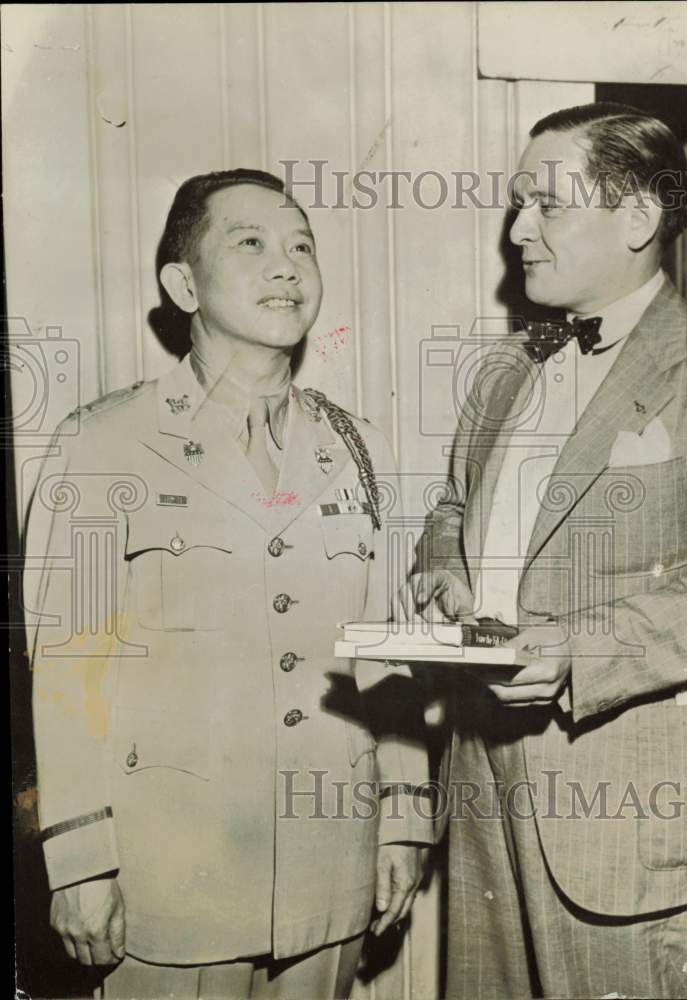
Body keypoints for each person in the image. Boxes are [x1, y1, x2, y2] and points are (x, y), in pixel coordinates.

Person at [411, 104, 687, 999]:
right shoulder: (505, 369)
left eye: (546, 206)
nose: (518, 232)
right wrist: (443, 571)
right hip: (484, 780)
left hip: (625, 804)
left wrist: (579, 652)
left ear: (637, 219)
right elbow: (452, 506)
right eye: (518, 206)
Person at [24, 168, 432, 999]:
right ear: (183, 284)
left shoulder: (362, 449)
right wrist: (78, 862)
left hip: (331, 870)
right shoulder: (102, 445)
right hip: (169, 883)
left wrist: (403, 819)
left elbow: (390, 650)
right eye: (249, 243)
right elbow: (69, 672)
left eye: (301, 246)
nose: (286, 266)